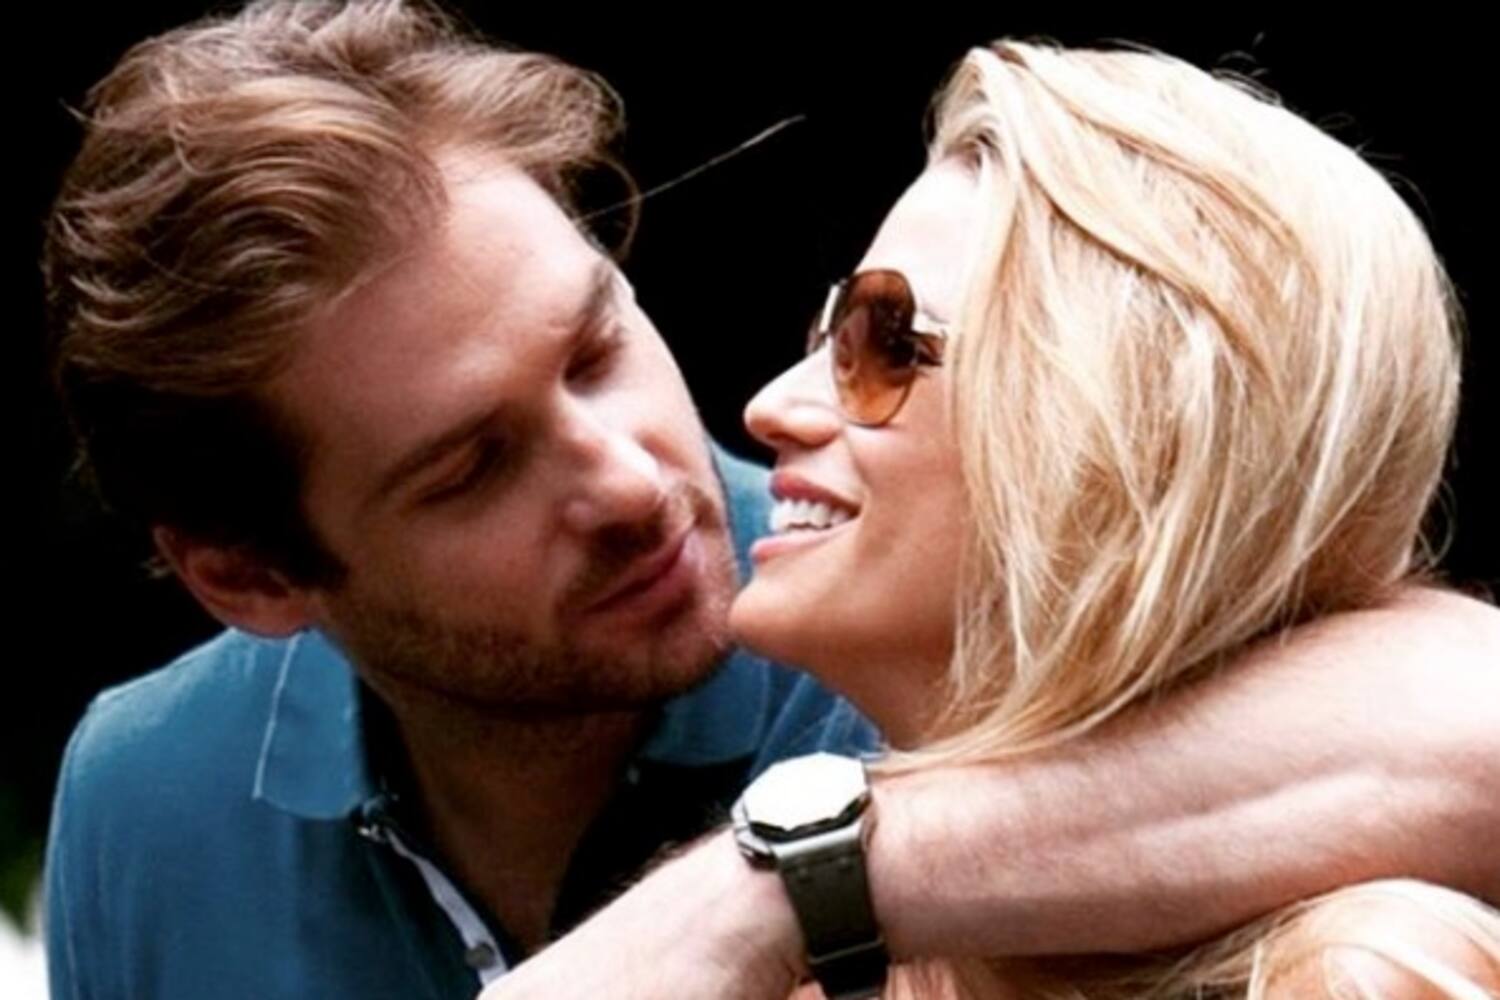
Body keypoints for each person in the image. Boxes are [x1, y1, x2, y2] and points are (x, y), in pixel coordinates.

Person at [41, 4, 1499, 998]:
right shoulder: (143, 800)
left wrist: (770, 888)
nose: (638, 478)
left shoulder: (890, 630)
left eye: (597, 345)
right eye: (470, 467)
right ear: (248, 576)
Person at [485, 39, 1500, 1000]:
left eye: (888, 344)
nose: (769, 408)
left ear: (1125, 437)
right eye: (827, 336)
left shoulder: (1364, 970)